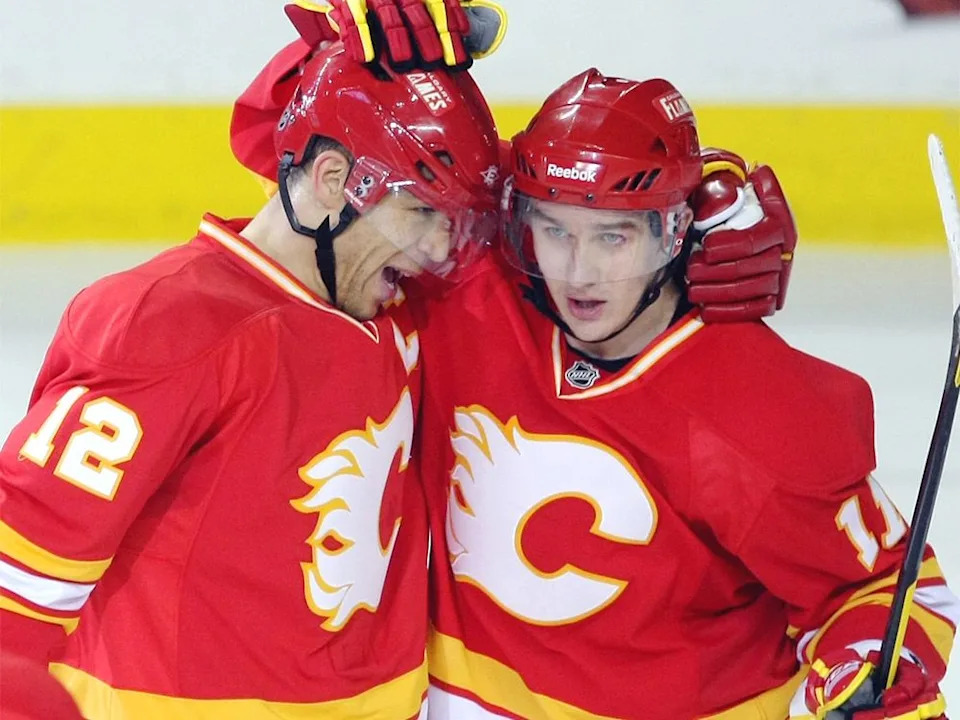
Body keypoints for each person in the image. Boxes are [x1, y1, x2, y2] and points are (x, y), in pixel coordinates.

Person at [410, 72, 958, 719]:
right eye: (555, 231)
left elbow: (886, 592)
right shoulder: (472, 303)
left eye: (613, 237)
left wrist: (872, 672)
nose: (579, 271)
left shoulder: (751, 402)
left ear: (673, 230)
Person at [0, 43, 501, 719]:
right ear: (333, 180)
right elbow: (23, 569)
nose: (439, 249)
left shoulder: (394, 311)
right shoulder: (167, 323)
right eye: (420, 213)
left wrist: (341, 49)